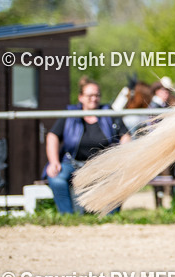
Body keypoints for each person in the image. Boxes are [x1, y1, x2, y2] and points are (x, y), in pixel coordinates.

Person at [45, 77, 130, 213]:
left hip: (103, 164)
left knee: (119, 177)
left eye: (97, 95)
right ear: (81, 97)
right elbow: (52, 136)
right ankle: (67, 217)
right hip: (72, 163)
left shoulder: (109, 112)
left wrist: (121, 158)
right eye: (90, 95)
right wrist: (54, 162)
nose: (94, 99)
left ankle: (111, 217)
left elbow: (125, 136)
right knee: (56, 179)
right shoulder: (70, 113)